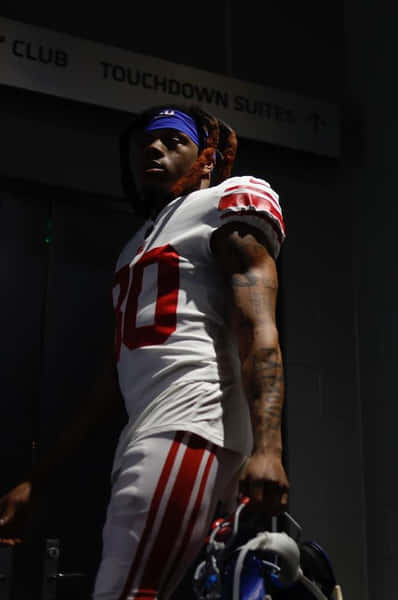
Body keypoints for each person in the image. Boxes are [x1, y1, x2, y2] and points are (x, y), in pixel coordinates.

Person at [0, 103, 290, 599]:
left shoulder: (227, 201)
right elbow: (114, 377)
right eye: (145, 142)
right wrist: (38, 479)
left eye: (173, 140)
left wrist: (270, 447)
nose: (153, 148)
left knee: (125, 591)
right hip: (149, 431)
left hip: (191, 424)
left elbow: (257, 325)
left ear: (206, 158)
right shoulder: (135, 245)